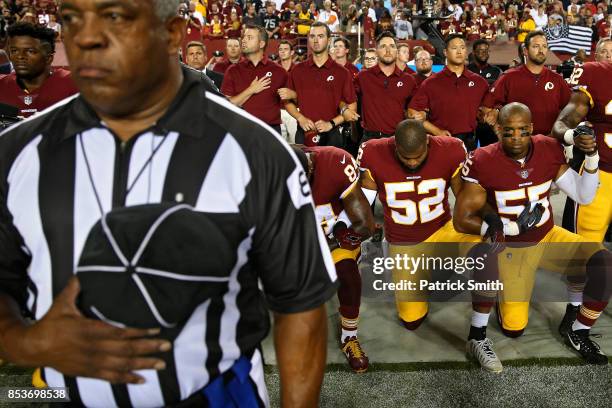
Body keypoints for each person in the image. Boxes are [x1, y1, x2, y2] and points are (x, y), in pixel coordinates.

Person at [0, 0, 337, 406]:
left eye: (114, 16)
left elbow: (299, 306)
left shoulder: (255, 152)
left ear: (172, 34)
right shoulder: (15, 154)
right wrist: (22, 342)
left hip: (214, 394)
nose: (85, 37)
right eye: (71, 19)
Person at [455, 102, 611, 371]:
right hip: (510, 248)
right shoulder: (482, 159)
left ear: (531, 128)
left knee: (602, 262)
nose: (516, 138)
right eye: (509, 131)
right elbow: (461, 219)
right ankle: (487, 321)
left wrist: (593, 157)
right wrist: (511, 228)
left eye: (522, 131)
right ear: (499, 129)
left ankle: (578, 330)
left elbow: (584, 196)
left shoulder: (548, 149)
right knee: (513, 329)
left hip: (547, 236)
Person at [358, 119, 481, 330]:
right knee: (411, 320)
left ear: (428, 143)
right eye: (406, 157)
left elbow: (464, 201)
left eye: (419, 156)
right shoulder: (372, 152)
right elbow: (363, 203)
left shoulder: (450, 149)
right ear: (395, 146)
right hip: (403, 242)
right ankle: (432, 276)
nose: (413, 163)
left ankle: (478, 309)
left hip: (443, 230)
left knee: (490, 246)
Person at [293, 145, 374, 373]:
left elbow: (365, 224)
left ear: (310, 166)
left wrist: (338, 233)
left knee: (348, 275)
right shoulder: (265, 171)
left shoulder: (336, 162)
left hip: (332, 238)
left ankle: (349, 338)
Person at [553, 38, 612, 244]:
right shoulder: (594, 72)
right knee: (584, 245)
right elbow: (563, 122)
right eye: (604, 52)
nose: (609, 56)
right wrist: (572, 136)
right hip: (599, 168)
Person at [282, 22, 358, 147]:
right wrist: (300, 118)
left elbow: (352, 108)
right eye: (312, 36)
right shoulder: (298, 70)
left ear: (328, 40)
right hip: (304, 132)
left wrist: (331, 124)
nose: (316, 40)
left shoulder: (342, 73)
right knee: (305, 166)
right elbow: (287, 102)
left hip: (332, 134)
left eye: (320, 36)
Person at [481, 31, 571, 136]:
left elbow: (570, 110)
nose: (541, 50)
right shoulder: (509, 77)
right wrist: (499, 132)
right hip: (517, 144)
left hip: (549, 142)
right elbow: (486, 107)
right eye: (536, 46)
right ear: (525, 51)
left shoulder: (557, 79)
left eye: (544, 46)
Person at [408, 34, 489, 151]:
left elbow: (489, 109)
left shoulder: (479, 82)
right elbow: (412, 112)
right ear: (445, 52)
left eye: (462, 47)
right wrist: (437, 131)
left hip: (470, 142)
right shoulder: (431, 83)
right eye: (454, 48)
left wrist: (488, 113)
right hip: (440, 142)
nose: (459, 51)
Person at [0, 22, 77, 118]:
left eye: (30, 51)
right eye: (14, 51)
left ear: (49, 58)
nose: (20, 57)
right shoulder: (2, 84)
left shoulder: (73, 84)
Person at [222, 25, 289, 133]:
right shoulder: (232, 70)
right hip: (240, 130)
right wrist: (251, 90)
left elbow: (290, 103)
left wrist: (292, 95)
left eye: (249, 37)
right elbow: (226, 105)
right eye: (243, 37)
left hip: (271, 132)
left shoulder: (279, 72)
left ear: (261, 44)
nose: (243, 41)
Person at [355, 31, 417, 142]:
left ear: (396, 51)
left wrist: (420, 114)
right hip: (369, 139)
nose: (388, 51)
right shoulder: (363, 77)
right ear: (377, 51)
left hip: (398, 139)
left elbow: (416, 109)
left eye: (392, 46)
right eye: (383, 46)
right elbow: (346, 97)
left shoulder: (409, 80)